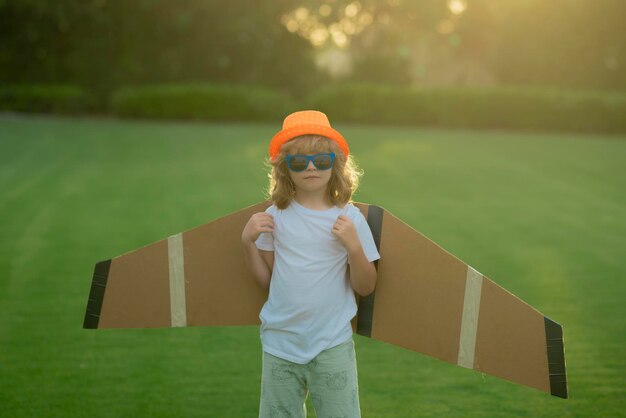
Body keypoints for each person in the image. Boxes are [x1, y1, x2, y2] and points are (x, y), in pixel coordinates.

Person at [241, 110, 380, 418]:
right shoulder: (275, 216)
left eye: (321, 160)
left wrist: (354, 246)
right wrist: (247, 242)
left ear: (336, 164)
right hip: (280, 344)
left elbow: (366, 285)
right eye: (299, 162)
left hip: (331, 344)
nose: (312, 168)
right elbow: (266, 281)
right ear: (285, 169)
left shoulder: (349, 217)